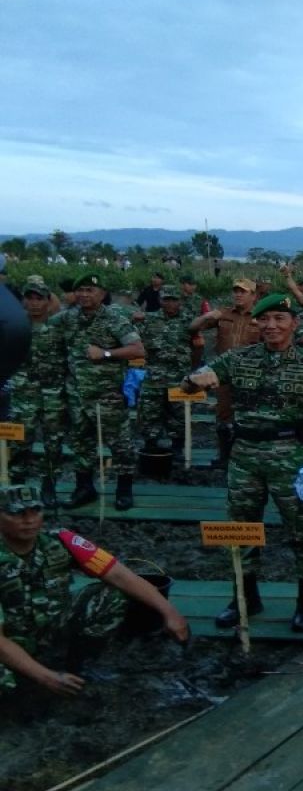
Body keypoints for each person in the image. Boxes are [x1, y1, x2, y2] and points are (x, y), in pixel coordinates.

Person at [182, 293, 303, 632]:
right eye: (265, 319)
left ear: (294, 324)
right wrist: (194, 382)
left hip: (292, 458)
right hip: (245, 458)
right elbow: (193, 382)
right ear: (257, 323)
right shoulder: (237, 359)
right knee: (241, 529)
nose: (271, 325)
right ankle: (244, 597)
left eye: (280, 319)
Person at [0, 482, 189, 696]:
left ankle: (75, 665)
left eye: (36, 510)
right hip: (9, 639)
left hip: (50, 627)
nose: (30, 520)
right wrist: (45, 677)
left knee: (112, 596)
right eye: (17, 513)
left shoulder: (61, 541)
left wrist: (171, 613)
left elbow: (118, 573)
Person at [52, 274, 146, 512]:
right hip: (78, 396)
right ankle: (84, 488)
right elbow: (43, 326)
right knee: (81, 445)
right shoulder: (69, 318)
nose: (84, 294)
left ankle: (124, 490)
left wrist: (105, 353)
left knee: (120, 445)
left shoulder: (115, 319)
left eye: (90, 290)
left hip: (108, 396)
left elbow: (137, 350)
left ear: (102, 293)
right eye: (80, 290)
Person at [188, 278, 262, 465]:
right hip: (224, 373)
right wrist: (207, 316)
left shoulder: (261, 317)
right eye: (235, 291)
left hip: (251, 373)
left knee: (250, 414)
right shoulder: (224, 314)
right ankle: (224, 457)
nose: (237, 294)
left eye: (243, 291)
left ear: (253, 295)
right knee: (223, 414)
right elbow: (193, 327)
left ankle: (247, 457)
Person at [8, 277, 66, 505]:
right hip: (24, 394)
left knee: (53, 442)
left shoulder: (58, 328)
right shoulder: (16, 327)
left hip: (53, 394)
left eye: (39, 299)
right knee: (21, 441)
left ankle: (49, 485)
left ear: (47, 301)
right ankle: (18, 485)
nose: (33, 303)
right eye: (29, 298)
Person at [136, 285, 193, 453]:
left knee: (178, 415)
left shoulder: (188, 320)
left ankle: (177, 449)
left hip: (179, 378)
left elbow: (198, 346)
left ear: (180, 301)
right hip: (154, 378)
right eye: (166, 299)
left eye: (174, 300)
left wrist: (192, 368)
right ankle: (151, 447)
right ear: (160, 300)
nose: (170, 303)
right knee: (149, 414)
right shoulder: (149, 319)